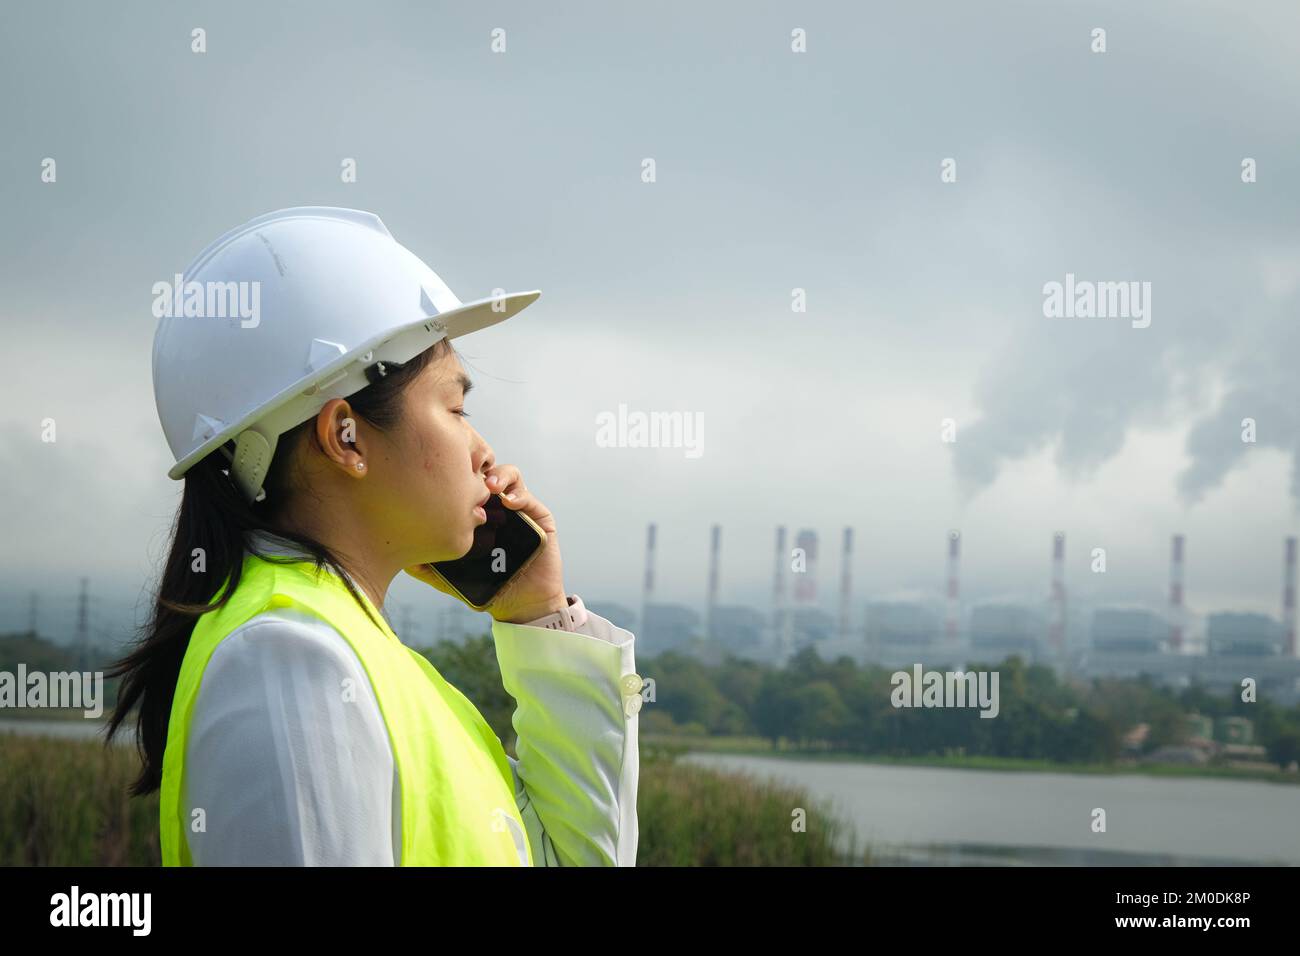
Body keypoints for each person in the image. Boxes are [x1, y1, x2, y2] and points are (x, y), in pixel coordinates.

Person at [105, 207, 640, 866]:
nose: (484, 452)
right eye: (455, 408)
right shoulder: (287, 662)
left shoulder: (375, 669)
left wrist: (542, 618)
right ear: (345, 436)